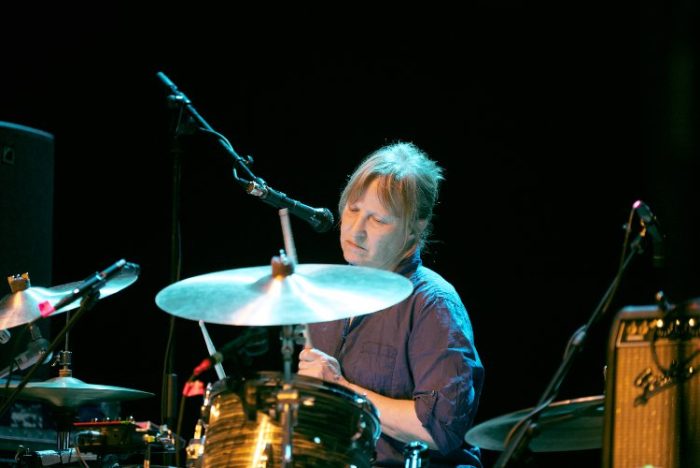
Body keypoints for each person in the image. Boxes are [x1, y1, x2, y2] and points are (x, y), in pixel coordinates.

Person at [298, 141, 484, 467]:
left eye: (378, 220)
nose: (355, 231)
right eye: (353, 210)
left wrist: (341, 388)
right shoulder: (324, 296)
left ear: (415, 228)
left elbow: (438, 429)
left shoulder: (433, 304)